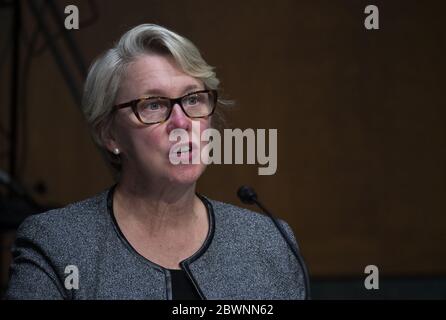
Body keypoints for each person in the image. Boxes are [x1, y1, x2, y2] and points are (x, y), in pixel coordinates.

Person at [5, 24, 307, 300]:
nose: (182, 122)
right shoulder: (56, 244)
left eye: (192, 99)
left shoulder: (268, 242)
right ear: (110, 134)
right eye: (153, 104)